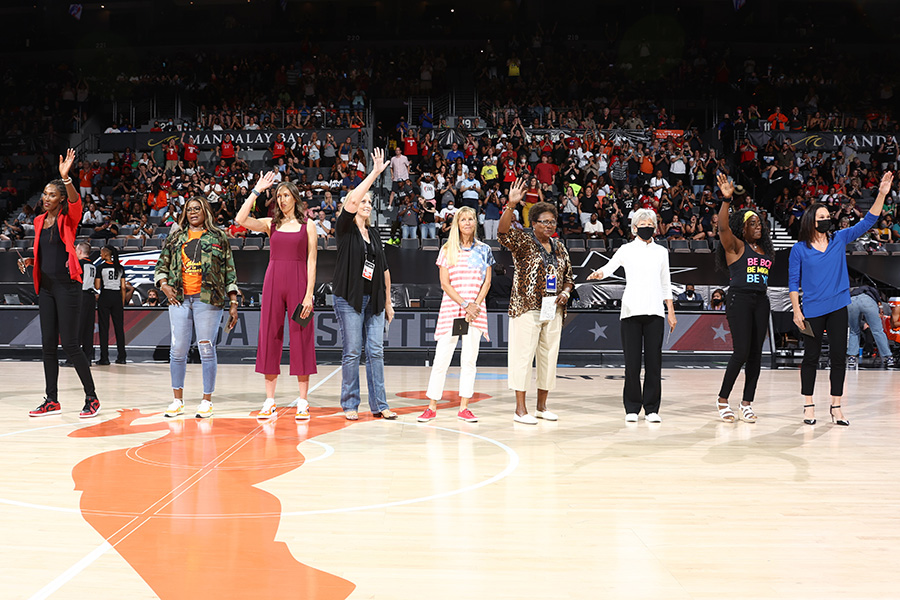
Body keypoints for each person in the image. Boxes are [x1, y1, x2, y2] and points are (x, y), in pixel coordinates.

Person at [789, 171, 893, 426]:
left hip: (838, 308)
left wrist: (881, 194)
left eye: (828, 216)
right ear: (811, 221)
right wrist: (796, 310)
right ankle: (809, 405)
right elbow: (793, 283)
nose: (827, 220)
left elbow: (868, 221)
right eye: (821, 217)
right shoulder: (799, 249)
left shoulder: (839, 239)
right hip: (812, 311)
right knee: (811, 358)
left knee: (838, 357)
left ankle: (836, 406)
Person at [18, 149, 100, 418]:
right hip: (47, 288)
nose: (45, 198)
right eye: (44, 194)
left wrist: (66, 178)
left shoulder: (69, 217)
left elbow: (77, 202)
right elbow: (46, 250)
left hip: (67, 286)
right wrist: (32, 262)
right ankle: (51, 399)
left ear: (60, 199)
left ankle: (92, 397)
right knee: (48, 344)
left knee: (71, 345)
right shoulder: (39, 220)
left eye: (51, 195)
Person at [236, 174, 318, 421]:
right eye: (278, 196)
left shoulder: (308, 226)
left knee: (301, 338)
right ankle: (269, 400)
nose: (281, 200)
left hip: (298, 281)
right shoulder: (271, 224)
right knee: (269, 336)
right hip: (273, 281)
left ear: (295, 197)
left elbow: (312, 261)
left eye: (285, 195)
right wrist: (256, 191)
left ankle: (303, 401)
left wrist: (309, 295)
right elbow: (240, 219)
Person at [588, 209, 676, 423]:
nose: (647, 226)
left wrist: (670, 311)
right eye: (643, 223)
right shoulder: (626, 250)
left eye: (650, 223)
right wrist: (599, 273)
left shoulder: (661, 252)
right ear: (634, 227)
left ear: (655, 227)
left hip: (655, 312)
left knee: (654, 363)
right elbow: (609, 267)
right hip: (630, 311)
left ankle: (652, 409)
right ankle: (632, 408)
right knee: (632, 363)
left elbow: (666, 282)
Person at [155, 195, 239, 418]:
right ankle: (177, 400)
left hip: (208, 299)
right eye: (189, 209)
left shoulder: (218, 237)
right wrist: (163, 285)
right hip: (179, 298)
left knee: (206, 348)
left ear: (206, 212)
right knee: (178, 349)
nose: (193, 212)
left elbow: (229, 271)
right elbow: (161, 264)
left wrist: (233, 302)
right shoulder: (176, 237)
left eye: (197, 209)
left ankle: (206, 400)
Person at [499, 179, 574, 424]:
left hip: (553, 310)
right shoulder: (523, 241)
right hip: (526, 307)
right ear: (534, 223)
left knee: (548, 358)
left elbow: (569, 277)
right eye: (545, 221)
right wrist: (510, 206)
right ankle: (520, 409)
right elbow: (502, 233)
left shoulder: (560, 246)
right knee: (522, 357)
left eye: (553, 221)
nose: (550, 225)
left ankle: (542, 406)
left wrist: (565, 292)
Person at [332, 148, 397, 420]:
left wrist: (388, 301)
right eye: (363, 201)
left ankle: (380, 405)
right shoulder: (344, 229)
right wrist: (375, 172)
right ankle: (349, 404)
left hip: (375, 300)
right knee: (352, 352)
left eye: (370, 202)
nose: (367, 204)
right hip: (350, 299)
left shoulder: (374, 234)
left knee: (376, 352)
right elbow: (352, 201)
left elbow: (383, 268)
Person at [418, 207, 495, 423]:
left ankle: (464, 407)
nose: (468, 222)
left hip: (476, 312)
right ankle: (431, 406)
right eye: (463, 219)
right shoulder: (446, 249)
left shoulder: (485, 250)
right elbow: (445, 284)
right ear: (457, 224)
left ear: (475, 223)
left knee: (469, 360)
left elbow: (487, 282)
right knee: (441, 358)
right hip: (452, 310)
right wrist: (464, 305)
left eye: (471, 219)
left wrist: (474, 306)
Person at [713, 173, 776, 423]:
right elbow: (722, 227)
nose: (758, 226)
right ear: (743, 227)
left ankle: (747, 403)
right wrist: (727, 200)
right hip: (739, 299)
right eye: (753, 223)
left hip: (761, 300)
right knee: (740, 352)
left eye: (760, 223)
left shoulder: (766, 250)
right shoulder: (736, 246)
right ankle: (722, 399)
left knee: (756, 356)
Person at [95, 245, 127, 365]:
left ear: (106, 254)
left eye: (101, 252)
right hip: (117, 298)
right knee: (119, 328)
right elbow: (123, 287)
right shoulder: (120, 268)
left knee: (104, 328)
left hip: (105, 296)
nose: (100, 254)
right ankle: (122, 357)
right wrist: (122, 301)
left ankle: (105, 358)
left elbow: (97, 286)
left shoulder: (100, 267)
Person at [847, 286, 893, 368]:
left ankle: (852, 357)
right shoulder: (871, 290)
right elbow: (878, 300)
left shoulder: (854, 291)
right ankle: (888, 357)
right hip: (868, 302)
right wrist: (880, 307)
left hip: (852, 301)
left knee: (854, 331)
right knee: (878, 331)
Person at [76, 242, 97, 364]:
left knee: (77, 328)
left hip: (81, 296)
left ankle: (74, 359)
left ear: (79, 251)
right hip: (90, 297)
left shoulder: (79, 264)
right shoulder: (93, 265)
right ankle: (87, 358)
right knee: (88, 329)